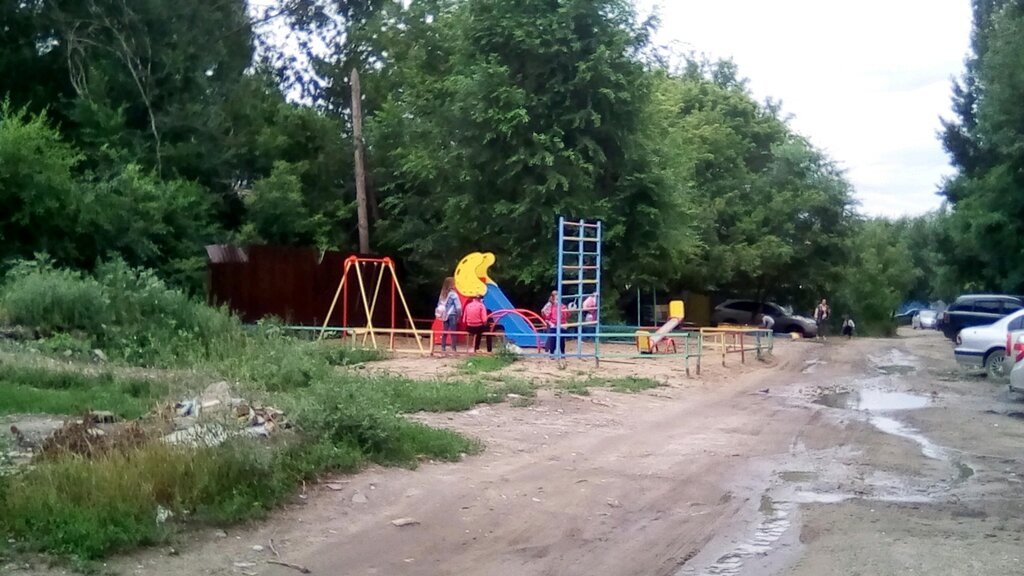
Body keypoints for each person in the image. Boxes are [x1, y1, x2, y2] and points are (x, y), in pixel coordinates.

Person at [436, 277, 462, 352]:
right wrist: (459, 315)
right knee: (453, 332)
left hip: (444, 314)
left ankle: (443, 347)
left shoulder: (442, 294)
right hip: (452, 314)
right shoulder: (454, 294)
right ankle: (453, 348)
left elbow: (439, 304)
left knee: (445, 331)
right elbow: (458, 307)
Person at [541, 290, 569, 355]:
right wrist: (547, 320)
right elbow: (544, 312)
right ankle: (551, 352)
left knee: (561, 340)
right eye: (556, 296)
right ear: (553, 297)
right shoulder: (550, 305)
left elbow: (566, 315)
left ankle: (561, 352)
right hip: (553, 323)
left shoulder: (562, 306)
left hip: (561, 324)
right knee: (552, 339)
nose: (557, 298)